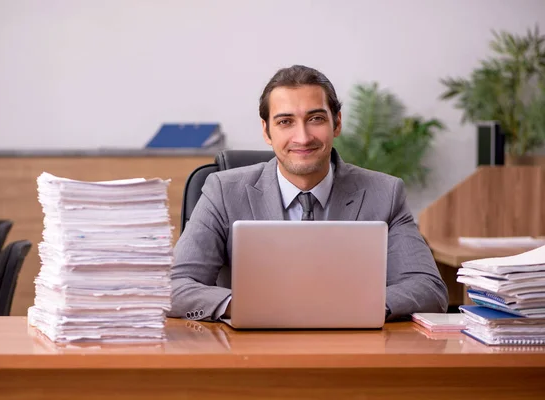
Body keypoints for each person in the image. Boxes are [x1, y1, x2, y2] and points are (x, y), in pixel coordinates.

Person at [169, 65, 448, 321]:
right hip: (251, 353)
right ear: (266, 131)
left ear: (336, 123)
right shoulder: (223, 191)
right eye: (285, 122)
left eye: (315, 118)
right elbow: (174, 286)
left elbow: (428, 289)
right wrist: (247, 305)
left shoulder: (384, 193)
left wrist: (354, 306)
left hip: (353, 353)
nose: (302, 137)